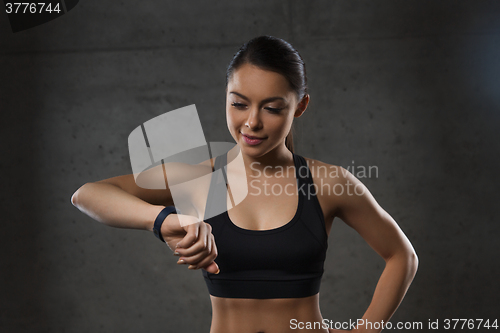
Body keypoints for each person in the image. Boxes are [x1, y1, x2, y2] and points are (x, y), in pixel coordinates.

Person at [71, 35, 418, 333]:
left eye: (272, 108)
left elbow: (402, 256)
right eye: (239, 103)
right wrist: (163, 221)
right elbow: (87, 195)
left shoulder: (326, 183)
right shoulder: (200, 177)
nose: (251, 122)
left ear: (299, 107)